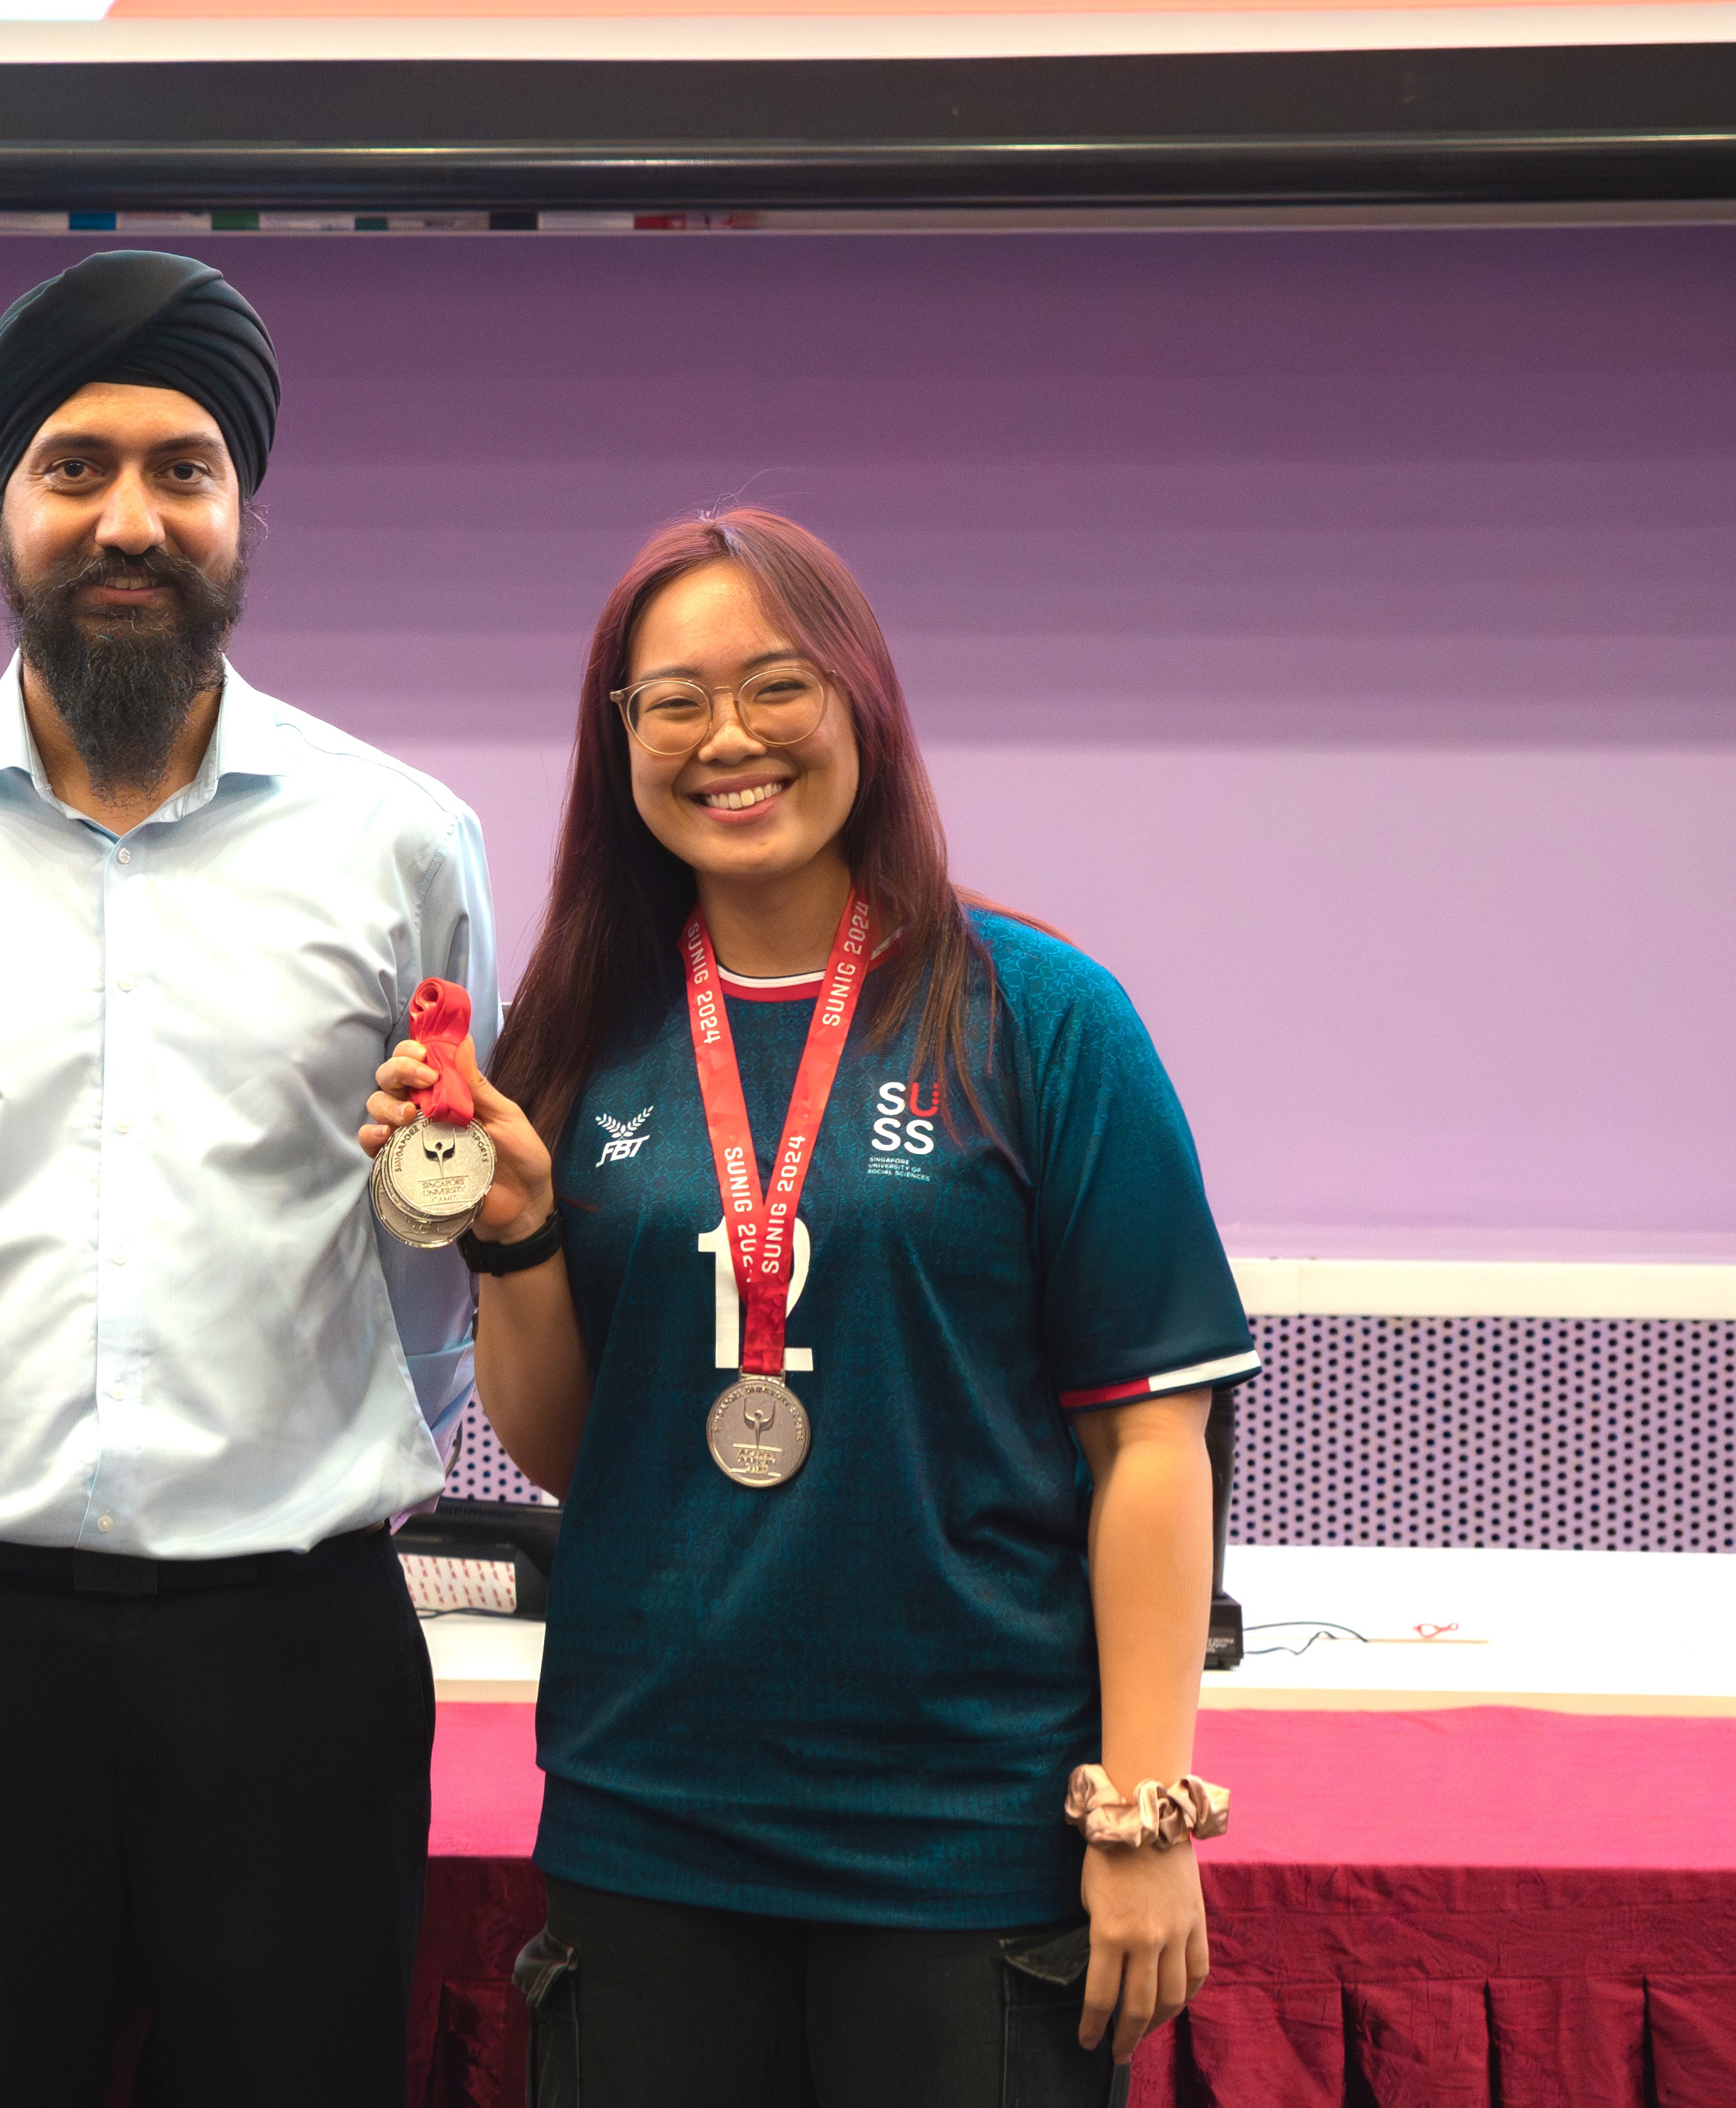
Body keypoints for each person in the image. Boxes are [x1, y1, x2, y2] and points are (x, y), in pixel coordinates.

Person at [362, 509, 1254, 2105]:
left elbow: (1151, 1446)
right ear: (619, 737)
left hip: (964, 1838)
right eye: (672, 702)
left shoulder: (1038, 1016)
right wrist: (510, 1240)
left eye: (777, 686)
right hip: (648, 1821)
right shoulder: (576, 1026)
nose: (728, 740)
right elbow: (580, 1447)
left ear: (861, 704)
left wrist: (1139, 1805)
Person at [0, 250, 495, 2105]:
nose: (130, 516)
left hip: (297, 1645)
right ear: (0, 511)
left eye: (183, 467)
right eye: (74, 467)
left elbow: (446, 1209)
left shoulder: (402, 842)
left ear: (242, 509)